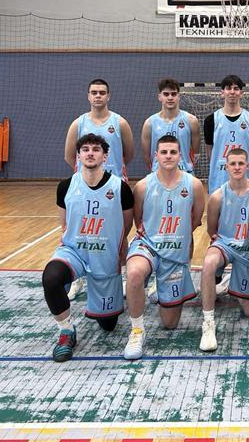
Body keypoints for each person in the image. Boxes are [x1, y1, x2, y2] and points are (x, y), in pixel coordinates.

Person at [43, 133, 133, 362]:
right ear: (78, 156)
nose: (90, 153)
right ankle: (66, 331)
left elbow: (126, 225)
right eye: (85, 149)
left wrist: (118, 251)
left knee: (108, 325)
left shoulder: (121, 188)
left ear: (105, 156)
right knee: (51, 278)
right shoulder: (65, 186)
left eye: (95, 149)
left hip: (104, 256)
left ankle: (103, 298)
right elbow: (64, 224)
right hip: (74, 251)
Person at [123, 135, 205, 359]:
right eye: (164, 152)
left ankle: (158, 289)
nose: (168, 156)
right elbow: (138, 220)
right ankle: (137, 331)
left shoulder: (194, 185)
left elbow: (195, 220)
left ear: (180, 156)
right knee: (134, 273)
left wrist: (176, 239)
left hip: (175, 255)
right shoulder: (143, 186)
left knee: (170, 324)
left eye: (173, 152)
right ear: (156, 156)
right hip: (148, 245)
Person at [63, 78, 134, 300]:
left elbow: (128, 154)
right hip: (85, 189)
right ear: (88, 96)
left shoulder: (120, 123)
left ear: (108, 96)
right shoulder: (78, 123)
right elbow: (69, 156)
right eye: (94, 92)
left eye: (102, 92)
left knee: (119, 233)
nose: (98, 96)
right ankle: (78, 277)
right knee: (82, 232)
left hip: (113, 189)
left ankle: (123, 275)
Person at [199, 148, 249, 352]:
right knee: (209, 263)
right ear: (226, 167)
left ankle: (228, 282)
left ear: (248, 166)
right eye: (232, 164)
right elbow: (212, 231)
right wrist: (220, 245)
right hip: (226, 246)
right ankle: (208, 323)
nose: (237, 167)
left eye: (240, 163)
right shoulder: (217, 196)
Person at [205, 75, 249, 194]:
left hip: (246, 178)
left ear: (241, 93)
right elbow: (210, 152)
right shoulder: (211, 120)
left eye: (236, 88)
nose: (232, 92)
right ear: (222, 92)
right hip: (219, 179)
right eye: (228, 88)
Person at [141, 78, 200, 174]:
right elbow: (146, 157)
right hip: (159, 174)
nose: (170, 98)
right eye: (166, 94)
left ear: (178, 96)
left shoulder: (191, 121)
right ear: (159, 97)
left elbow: (196, 153)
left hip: (185, 173)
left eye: (173, 94)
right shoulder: (149, 123)